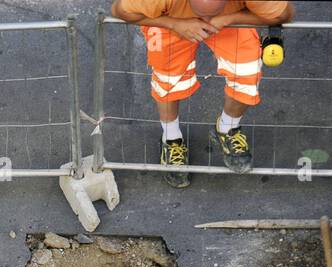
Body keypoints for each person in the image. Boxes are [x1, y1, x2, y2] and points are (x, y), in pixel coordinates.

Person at [110, 0, 294, 187]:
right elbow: (119, 10)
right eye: (201, 13)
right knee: (167, 81)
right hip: (172, 18)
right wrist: (175, 24)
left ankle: (227, 128)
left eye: (210, 13)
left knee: (247, 72)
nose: (204, 21)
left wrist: (230, 18)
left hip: (230, 20)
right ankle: (171, 138)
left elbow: (284, 14)